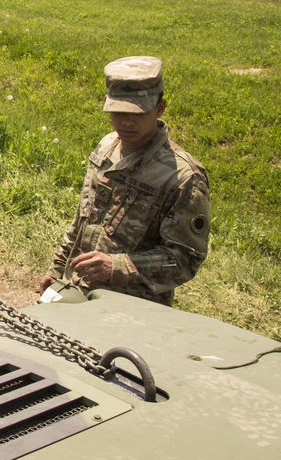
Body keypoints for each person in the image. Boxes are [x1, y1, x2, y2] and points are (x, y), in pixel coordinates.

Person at [38, 56, 210, 306]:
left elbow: (185, 259)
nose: (127, 122)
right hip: (77, 288)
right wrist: (57, 268)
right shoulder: (107, 147)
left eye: (138, 113)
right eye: (119, 112)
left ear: (159, 108)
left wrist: (116, 266)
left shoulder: (183, 177)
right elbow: (83, 218)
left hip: (131, 303)